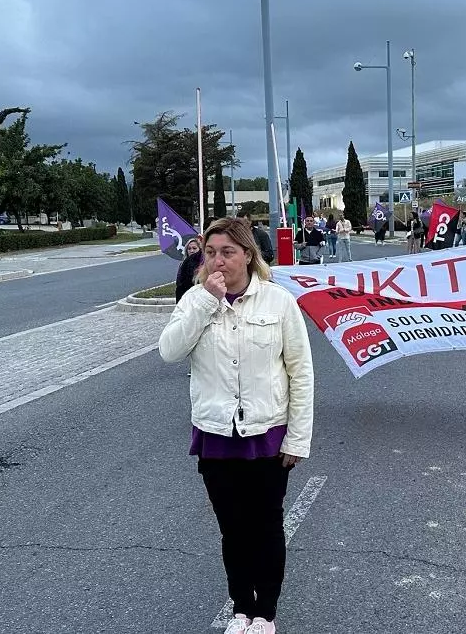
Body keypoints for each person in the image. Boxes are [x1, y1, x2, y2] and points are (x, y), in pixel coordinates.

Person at [159, 218, 314, 634]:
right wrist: (206, 301)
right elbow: (170, 351)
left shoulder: (278, 302)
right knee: (232, 530)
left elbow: (300, 372)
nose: (217, 261)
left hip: (266, 435)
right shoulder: (194, 299)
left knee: (266, 526)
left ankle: (267, 613)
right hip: (215, 436)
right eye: (210, 253)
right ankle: (241, 608)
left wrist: (298, 437)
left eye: (227, 252)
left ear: (248, 254)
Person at [175, 236, 204, 302]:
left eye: (194, 248)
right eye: (189, 249)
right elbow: (179, 283)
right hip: (186, 298)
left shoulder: (203, 264)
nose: (191, 251)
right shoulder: (183, 264)